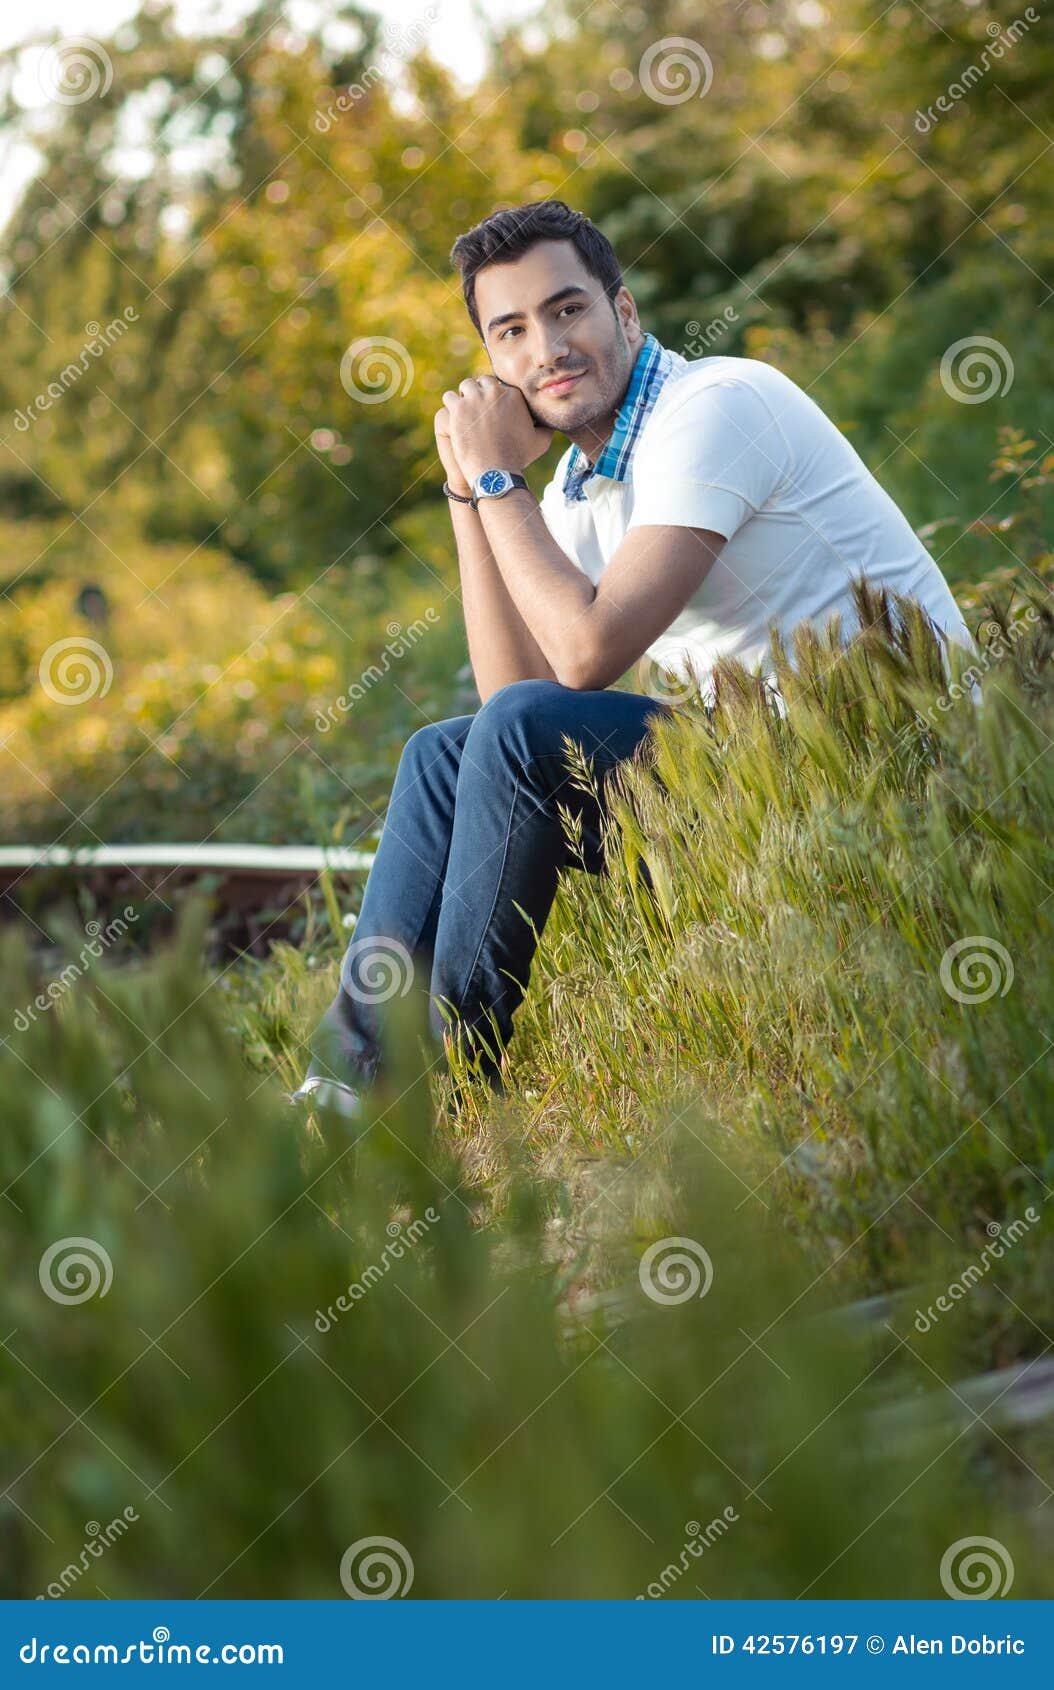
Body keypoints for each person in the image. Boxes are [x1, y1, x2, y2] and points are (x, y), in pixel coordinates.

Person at [291, 198, 976, 1119]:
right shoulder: (579, 478)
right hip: (754, 775)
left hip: (883, 765)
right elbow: (511, 702)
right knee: (442, 753)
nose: (548, 349)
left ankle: (436, 1087)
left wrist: (499, 482)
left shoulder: (715, 407)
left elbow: (583, 657)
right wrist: (468, 492)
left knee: (518, 732)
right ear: (493, 364)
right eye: (513, 331)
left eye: (568, 310)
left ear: (624, 313)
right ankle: (345, 1082)